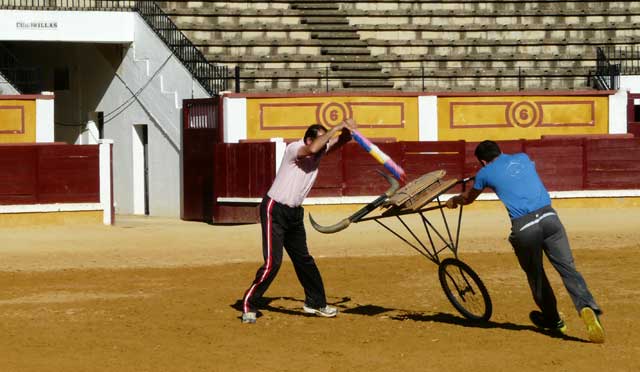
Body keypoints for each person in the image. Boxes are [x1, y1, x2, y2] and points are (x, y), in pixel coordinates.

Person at [445, 140, 605, 343]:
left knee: (536, 275)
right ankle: (586, 307)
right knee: (568, 268)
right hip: (550, 219)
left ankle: (554, 320)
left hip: (524, 228)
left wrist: (454, 201)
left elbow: (468, 198)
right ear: (501, 151)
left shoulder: (484, 174)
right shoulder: (521, 157)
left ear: (483, 162)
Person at [240, 119, 356, 324]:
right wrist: (336, 128)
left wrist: (348, 131)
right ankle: (249, 303)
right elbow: (314, 147)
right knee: (272, 263)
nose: (323, 147)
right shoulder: (295, 149)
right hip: (274, 210)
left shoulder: (317, 152)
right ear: (310, 139)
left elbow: (339, 141)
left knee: (304, 260)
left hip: (294, 214)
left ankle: (316, 302)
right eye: (321, 138)